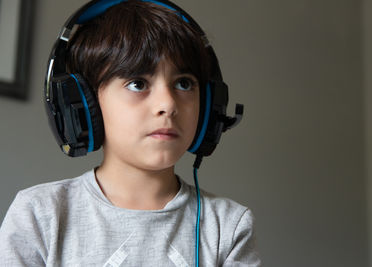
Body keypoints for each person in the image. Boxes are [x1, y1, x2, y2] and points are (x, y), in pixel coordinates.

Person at [0, 0, 261, 266]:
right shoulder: (40, 214)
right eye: (138, 84)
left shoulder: (228, 226)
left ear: (209, 106)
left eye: (184, 83)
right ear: (81, 103)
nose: (168, 105)